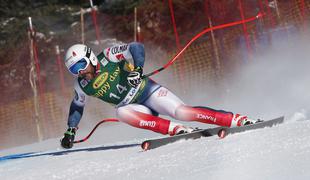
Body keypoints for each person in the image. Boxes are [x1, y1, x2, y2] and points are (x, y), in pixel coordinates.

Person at [60, 42, 259, 149]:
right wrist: (71, 130)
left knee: (182, 112)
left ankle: (236, 119)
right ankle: (177, 130)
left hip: (148, 91)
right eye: (73, 70)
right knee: (122, 112)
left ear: (90, 57)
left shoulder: (108, 56)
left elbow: (135, 47)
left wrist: (137, 69)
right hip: (135, 107)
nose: (79, 72)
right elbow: (77, 105)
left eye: (80, 66)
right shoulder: (81, 84)